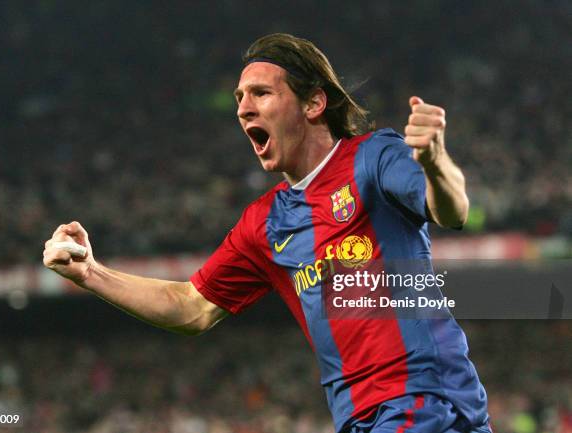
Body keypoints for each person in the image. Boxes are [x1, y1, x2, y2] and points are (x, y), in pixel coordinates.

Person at [43, 33, 490, 433]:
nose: (242, 108)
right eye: (240, 97)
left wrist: (433, 161)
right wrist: (91, 274)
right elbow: (191, 308)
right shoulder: (264, 223)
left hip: (420, 400)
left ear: (314, 104)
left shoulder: (372, 158)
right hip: (361, 416)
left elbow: (449, 208)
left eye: (260, 92)